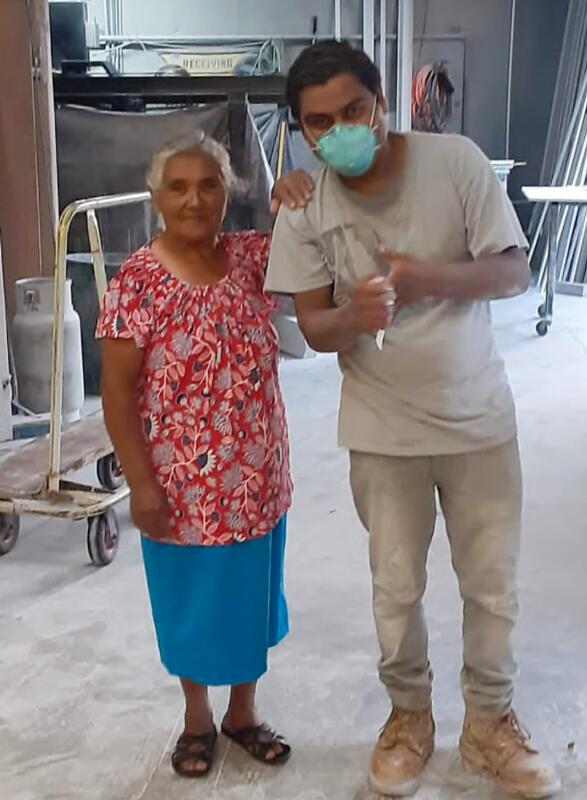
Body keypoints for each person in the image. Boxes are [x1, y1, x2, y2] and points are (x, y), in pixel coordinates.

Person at [265, 42, 561, 799]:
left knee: (492, 587)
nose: (339, 133)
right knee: (395, 590)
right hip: (381, 429)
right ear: (301, 132)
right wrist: (352, 315)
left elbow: (513, 270)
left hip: (477, 420)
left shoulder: (456, 162)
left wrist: (425, 277)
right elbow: (309, 327)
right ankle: (409, 719)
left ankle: (491, 725)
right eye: (318, 123)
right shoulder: (304, 205)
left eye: (353, 112)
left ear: (383, 104)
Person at [98, 134, 306, 779]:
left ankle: (243, 713)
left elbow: (320, 248)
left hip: (256, 477)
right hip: (180, 485)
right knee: (190, 606)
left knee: (251, 600)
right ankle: (197, 719)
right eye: (179, 186)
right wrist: (140, 483)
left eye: (209, 184)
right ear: (157, 197)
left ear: (229, 194)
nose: (194, 198)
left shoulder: (251, 259)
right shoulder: (138, 280)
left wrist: (296, 196)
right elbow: (116, 391)